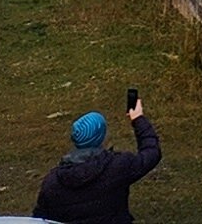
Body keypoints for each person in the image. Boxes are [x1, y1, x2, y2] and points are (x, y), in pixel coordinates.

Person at [29, 93, 160, 224]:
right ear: (101, 137)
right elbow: (152, 152)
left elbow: (40, 219)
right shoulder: (118, 166)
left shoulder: (52, 182)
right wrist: (138, 118)